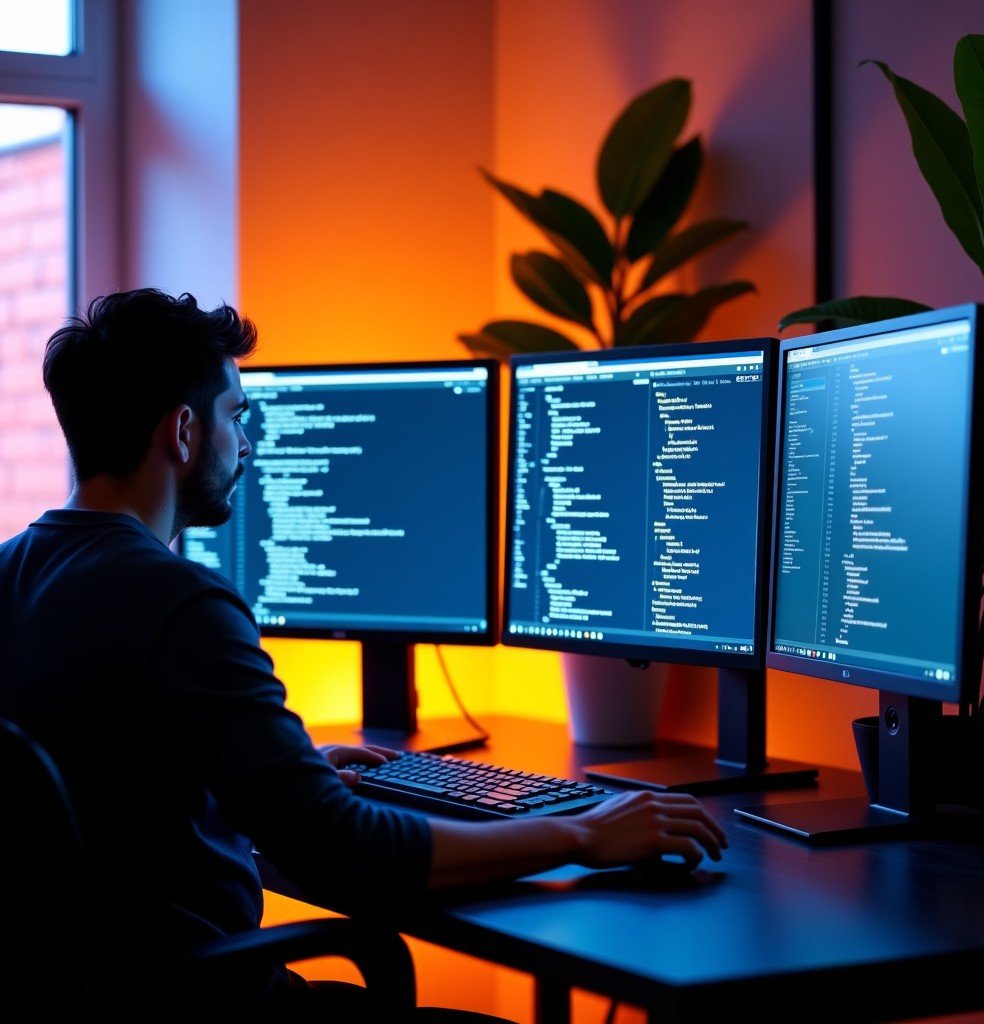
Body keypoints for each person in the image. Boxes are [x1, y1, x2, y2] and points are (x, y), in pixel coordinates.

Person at [0, 288, 727, 1012]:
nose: (246, 444)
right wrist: (580, 832)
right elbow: (343, 848)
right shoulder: (183, 603)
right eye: (235, 416)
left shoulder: (10, 572)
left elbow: (110, 783)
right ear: (183, 433)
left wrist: (284, 771)